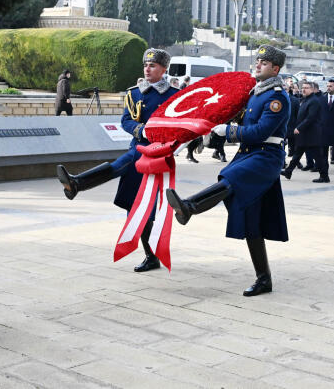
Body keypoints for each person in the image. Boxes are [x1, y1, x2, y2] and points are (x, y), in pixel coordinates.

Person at [166, 45, 290, 296]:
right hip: (249, 154)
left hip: (266, 156)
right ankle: (263, 279)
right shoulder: (256, 93)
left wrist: (229, 131)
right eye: (257, 61)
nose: (258, 65)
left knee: (231, 177)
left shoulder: (277, 97)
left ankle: (190, 207)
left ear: (275, 69)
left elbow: (260, 132)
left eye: (264, 63)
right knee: (252, 219)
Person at [56, 48, 178, 272]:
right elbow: (126, 121)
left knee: (142, 202)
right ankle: (151, 256)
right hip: (139, 145)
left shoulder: (174, 95)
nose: (147, 69)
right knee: (135, 207)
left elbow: (180, 123)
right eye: (145, 65)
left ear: (164, 69)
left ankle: (78, 183)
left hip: (157, 155)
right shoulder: (135, 93)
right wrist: (141, 130)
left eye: (152, 66)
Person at [282, 81, 325, 181]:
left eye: (306, 88)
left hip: (312, 134)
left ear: (312, 89)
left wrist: (299, 128)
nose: (303, 90)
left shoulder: (314, 101)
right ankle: (288, 172)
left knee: (318, 156)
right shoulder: (305, 99)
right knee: (297, 154)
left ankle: (324, 176)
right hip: (304, 134)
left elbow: (311, 118)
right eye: (303, 88)